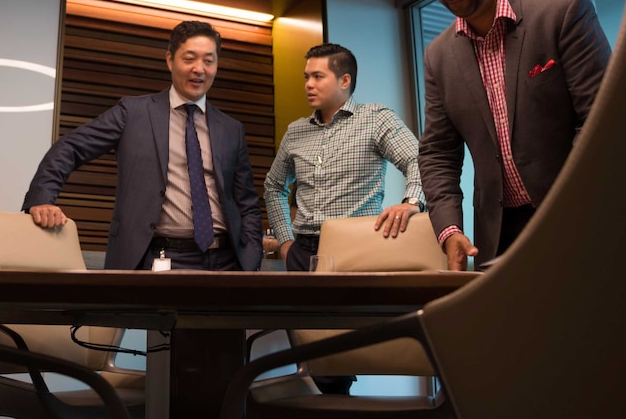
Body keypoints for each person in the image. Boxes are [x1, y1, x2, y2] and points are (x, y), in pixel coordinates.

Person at [418, 0, 612, 271]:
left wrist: (569, 203)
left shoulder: (563, 15)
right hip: (499, 234)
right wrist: (449, 229)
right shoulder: (437, 56)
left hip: (580, 213)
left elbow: (602, 119)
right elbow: (437, 153)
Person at [24, 20, 263, 271]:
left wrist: (251, 256)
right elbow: (69, 148)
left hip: (226, 263)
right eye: (189, 58)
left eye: (209, 60)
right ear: (170, 60)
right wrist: (42, 198)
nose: (199, 69)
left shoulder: (231, 128)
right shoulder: (133, 112)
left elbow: (246, 202)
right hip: (158, 258)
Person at [263, 43, 424, 395]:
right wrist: (286, 242)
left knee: (342, 356)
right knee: (316, 353)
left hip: (355, 252)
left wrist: (411, 201)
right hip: (303, 252)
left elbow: (419, 160)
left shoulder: (375, 118)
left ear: (345, 80)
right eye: (306, 76)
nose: (308, 84)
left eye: (318, 76)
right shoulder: (295, 131)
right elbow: (273, 187)